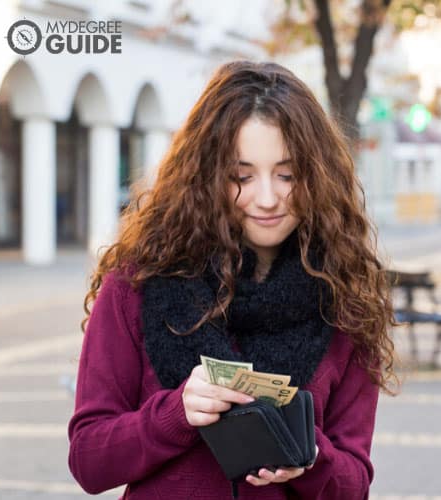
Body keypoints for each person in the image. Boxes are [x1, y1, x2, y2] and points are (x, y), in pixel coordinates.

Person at [68, 61, 397, 499]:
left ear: (317, 176)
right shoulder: (137, 281)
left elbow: (353, 486)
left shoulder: (345, 299)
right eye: (241, 177)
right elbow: (89, 460)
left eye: (287, 175)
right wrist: (174, 414)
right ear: (206, 176)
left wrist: (311, 457)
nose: (266, 198)